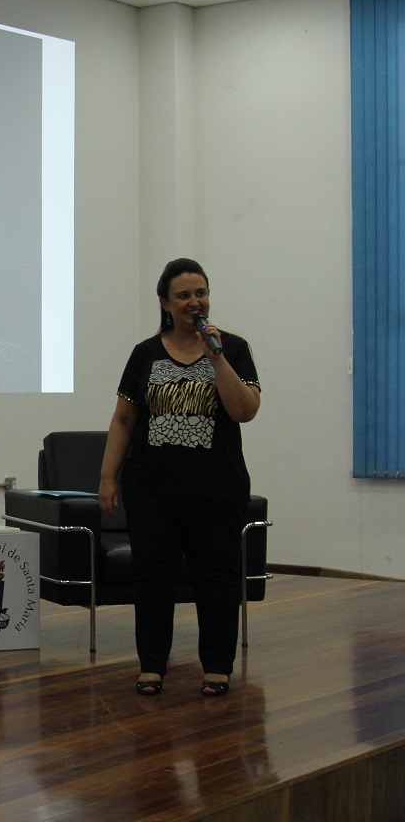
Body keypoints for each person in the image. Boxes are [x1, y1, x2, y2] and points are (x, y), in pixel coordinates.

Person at [98, 258, 261, 698]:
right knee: (153, 576)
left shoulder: (233, 348)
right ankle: (152, 666)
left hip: (216, 488)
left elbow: (244, 410)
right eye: (184, 295)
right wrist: (108, 478)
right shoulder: (145, 354)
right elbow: (124, 420)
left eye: (201, 293)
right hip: (152, 489)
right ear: (165, 303)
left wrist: (216, 357)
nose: (194, 302)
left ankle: (217, 667)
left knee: (217, 577)